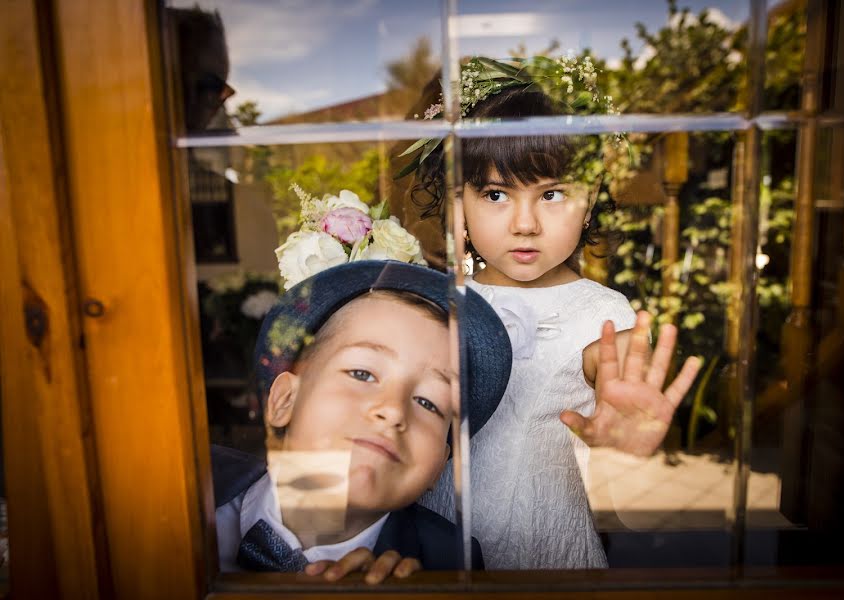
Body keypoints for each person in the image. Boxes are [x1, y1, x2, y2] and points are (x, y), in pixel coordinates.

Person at [404, 59, 702, 569]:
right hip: (434, 544)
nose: (525, 224)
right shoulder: (436, 303)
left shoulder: (602, 315)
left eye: (553, 194)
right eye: (495, 194)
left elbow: (624, 507)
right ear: (460, 205)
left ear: (589, 205)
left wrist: (623, 451)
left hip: (545, 548)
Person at [213, 260, 512, 581]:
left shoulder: (451, 563)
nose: (394, 410)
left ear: (440, 465)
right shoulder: (182, 490)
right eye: (362, 373)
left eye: (428, 402)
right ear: (285, 400)